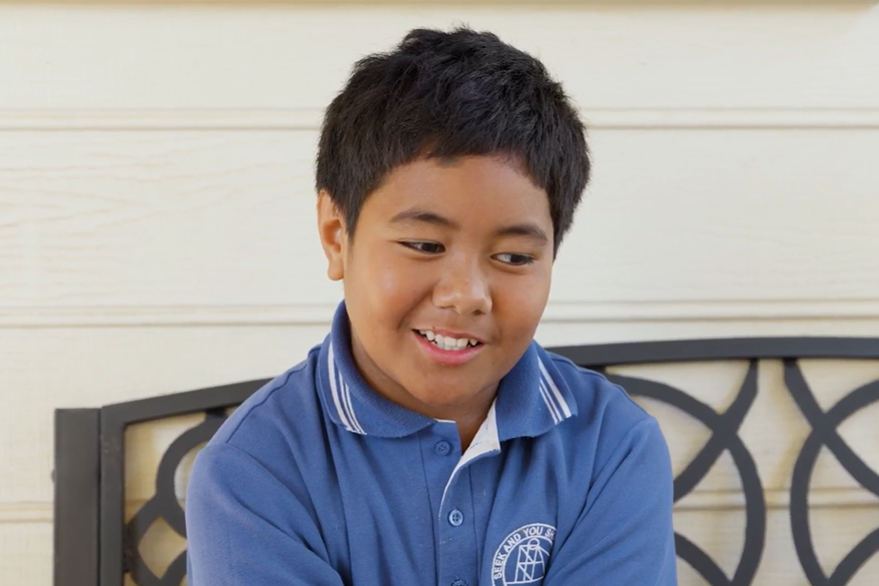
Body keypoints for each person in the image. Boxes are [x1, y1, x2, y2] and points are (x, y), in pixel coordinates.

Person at [186, 27, 677, 586]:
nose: (465, 295)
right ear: (335, 233)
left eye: (514, 256)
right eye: (424, 246)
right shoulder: (255, 472)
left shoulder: (609, 446)